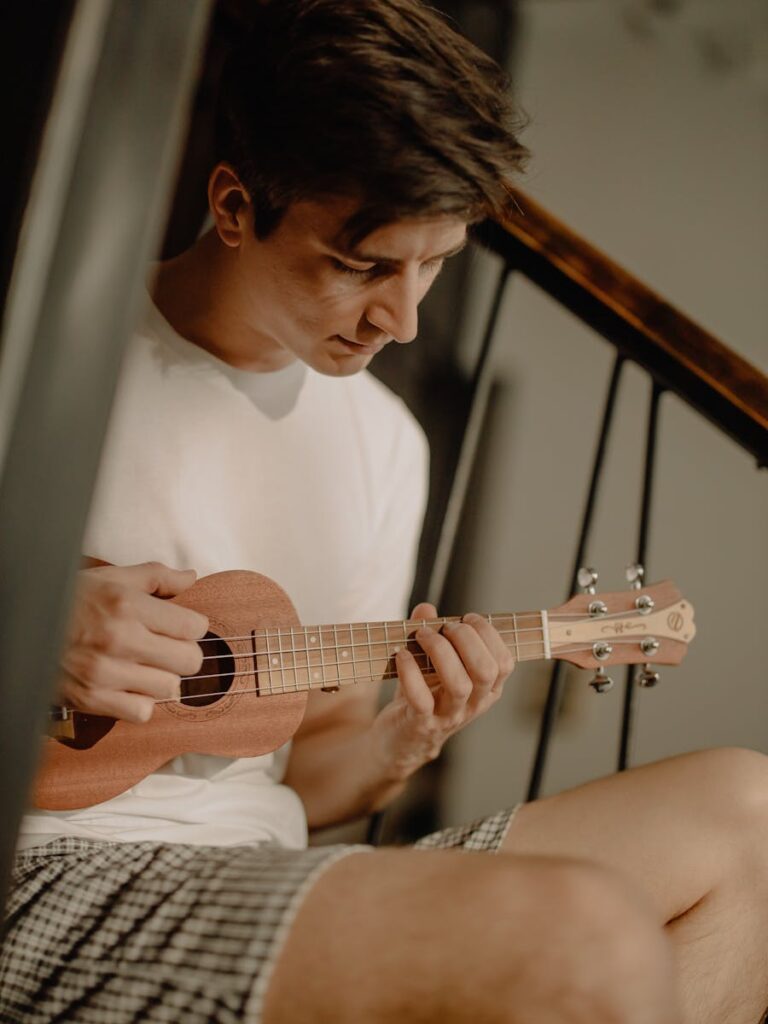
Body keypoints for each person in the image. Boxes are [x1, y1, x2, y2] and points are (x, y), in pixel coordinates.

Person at [2, 1, 767, 1022]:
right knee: (583, 935)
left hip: (259, 867)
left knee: (747, 815)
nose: (401, 319)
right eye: (363, 265)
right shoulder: (39, 351)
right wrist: (29, 625)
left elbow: (314, 771)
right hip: (53, 875)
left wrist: (404, 741)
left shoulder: (386, 446)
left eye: (437, 264)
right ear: (234, 206)